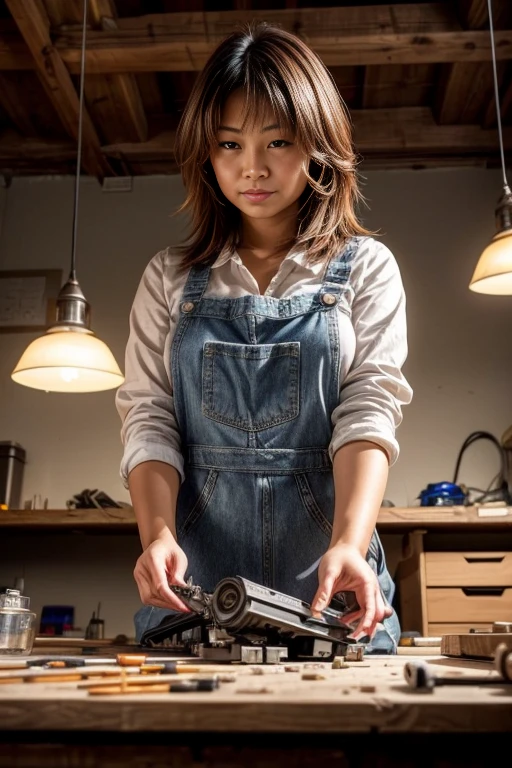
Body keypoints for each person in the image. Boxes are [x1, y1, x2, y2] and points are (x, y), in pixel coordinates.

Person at [115, 22, 413, 653]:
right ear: (206, 152)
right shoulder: (170, 277)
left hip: (332, 593)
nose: (252, 167)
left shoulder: (366, 268)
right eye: (229, 143)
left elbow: (369, 410)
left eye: (278, 140)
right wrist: (157, 537)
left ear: (318, 145)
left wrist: (349, 546)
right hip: (196, 594)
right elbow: (149, 419)